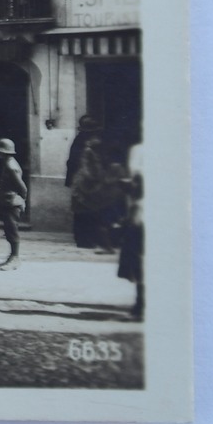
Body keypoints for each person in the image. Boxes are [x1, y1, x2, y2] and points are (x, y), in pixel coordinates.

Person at [69, 137, 120, 251]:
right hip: (84, 187)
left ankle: (86, 240)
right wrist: (95, 179)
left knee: (85, 215)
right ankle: (83, 241)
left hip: (86, 187)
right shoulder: (88, 153)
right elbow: (87, 170)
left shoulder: (91, 153)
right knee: (82, 215)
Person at [117, 141, 144, 320]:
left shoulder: (140, 152)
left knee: (140, 258)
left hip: (142, 215)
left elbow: (136, 185)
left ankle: (142, 303)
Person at [0, 138, 28, 269]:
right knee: (9, 230)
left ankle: (15, 258)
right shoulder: (9, 162)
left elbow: (22, 187)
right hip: (8, 201)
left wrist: (22, 200)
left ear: (3, 152)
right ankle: (12, 256)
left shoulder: (10, 166)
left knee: (12, 230)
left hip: (12, 202)